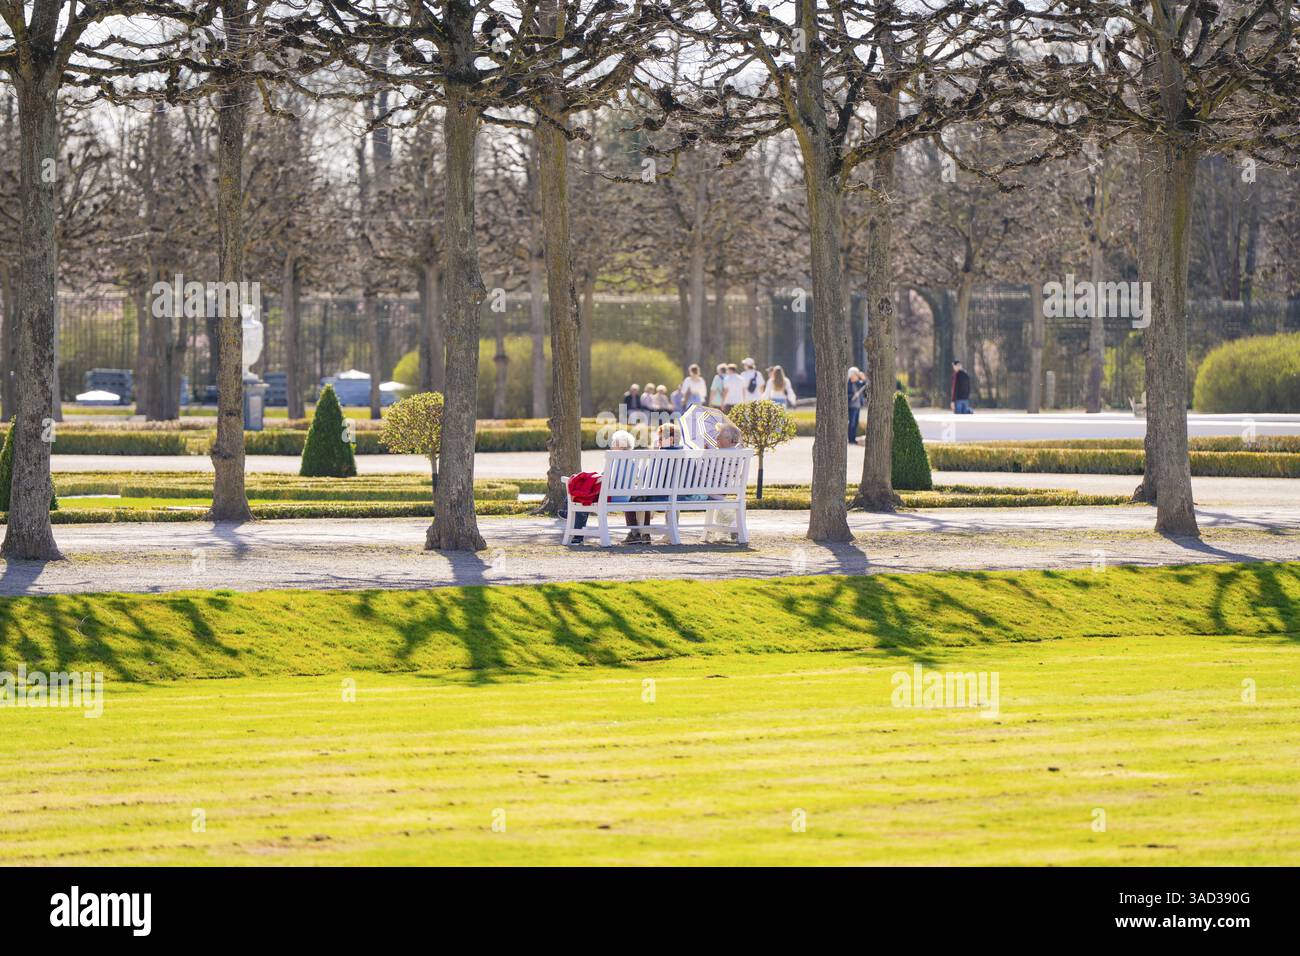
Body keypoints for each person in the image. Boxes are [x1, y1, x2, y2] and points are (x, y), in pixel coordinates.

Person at [568, 430, 646, 544]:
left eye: (614, 442)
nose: (612, 444)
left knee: (583, 496)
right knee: (586, 494)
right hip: (625, 498)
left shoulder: (613, 461)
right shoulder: (634, 463)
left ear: (620, 445)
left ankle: (577, 536)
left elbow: (604, 479)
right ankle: (568, 514)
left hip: (609, 497)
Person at [847, 367, 867, 444]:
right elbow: (846, 395)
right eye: (856, 375)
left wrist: (864, 379)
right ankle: (850, 439)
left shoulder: (858, 383)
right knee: (851, 423)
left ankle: (853, 438)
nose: (857, 377)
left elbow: (866, 385)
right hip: (851, 406)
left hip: (857, 406)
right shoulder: (848, 384)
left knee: (855, 423)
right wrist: (852, 396)